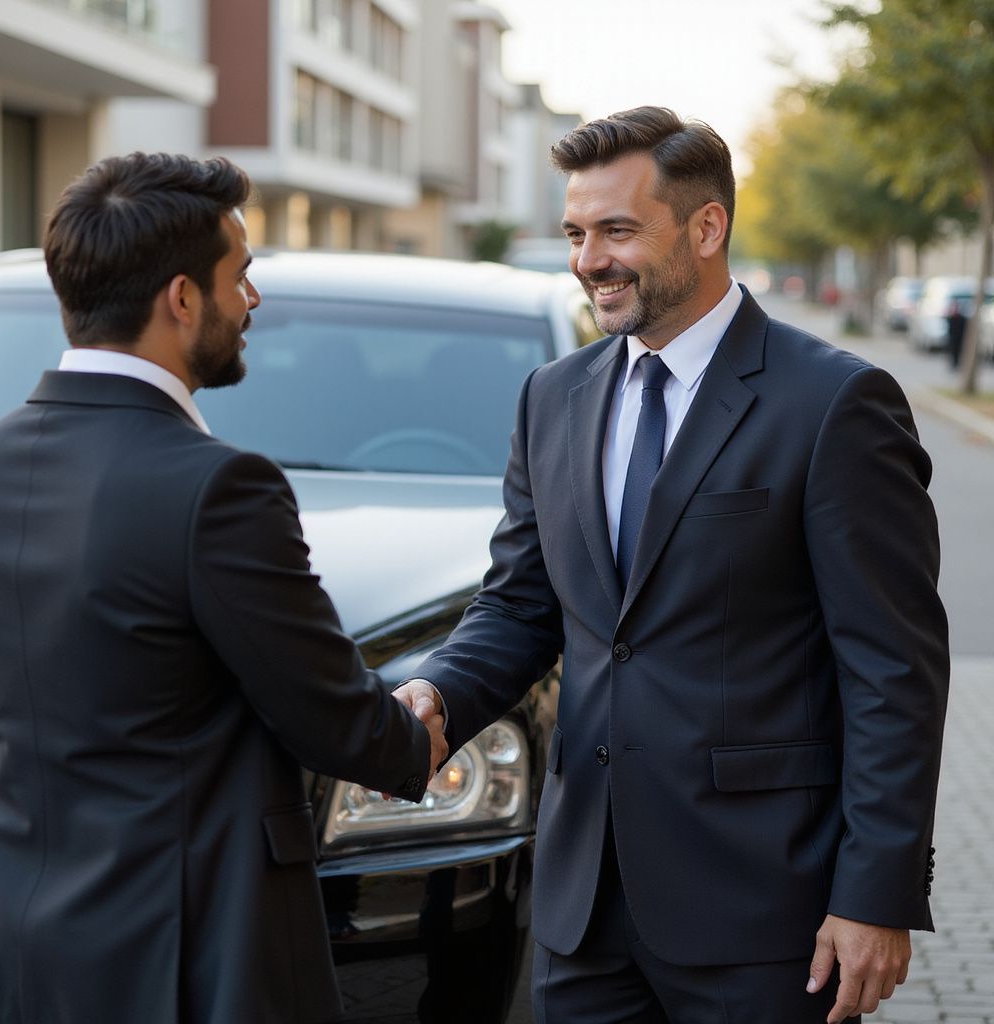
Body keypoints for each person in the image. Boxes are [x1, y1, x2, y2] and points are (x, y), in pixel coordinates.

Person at [394, 106, 949, 1024]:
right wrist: (439, 695)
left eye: (617, 230)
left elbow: (894, 670)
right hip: (582, 911)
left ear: (706, 227)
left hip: (766, 912)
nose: (587, 260)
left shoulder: (835, 403)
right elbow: (521, 605)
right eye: (576, 233)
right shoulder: (552, 397)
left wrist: (876, 894)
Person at [0, 152, 447, 1024]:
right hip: (186, 953)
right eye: (243, 275)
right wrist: (413, 731)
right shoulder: (220, 488)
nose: (253, 302)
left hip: (10, 942)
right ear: (182, 299)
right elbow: (332, 714)